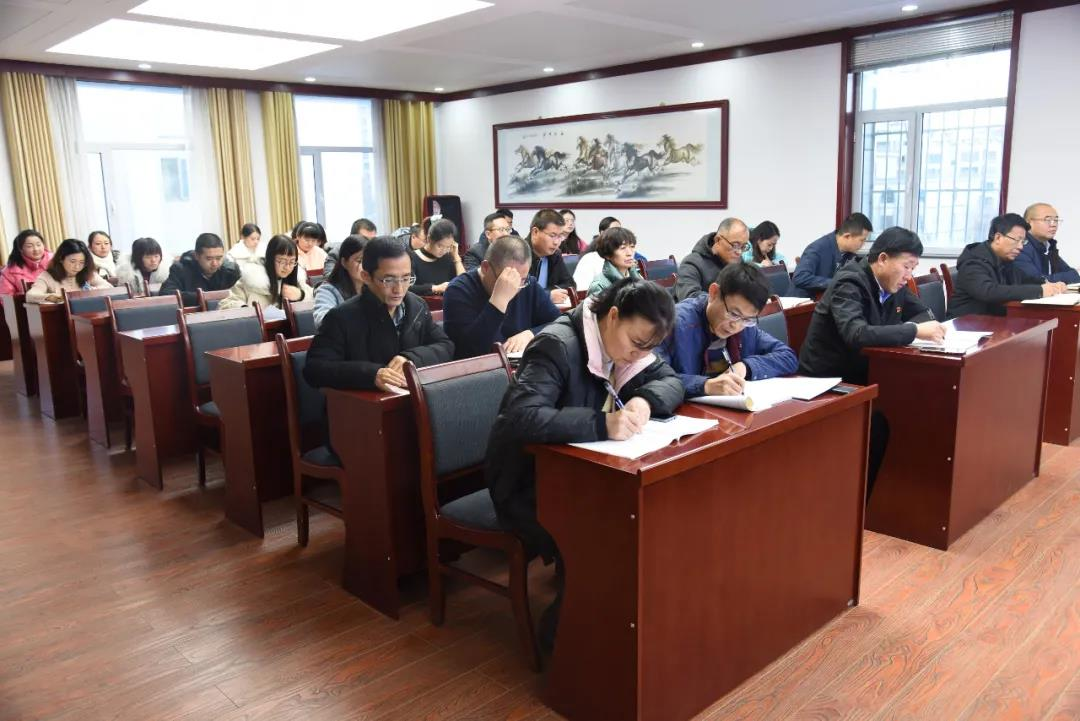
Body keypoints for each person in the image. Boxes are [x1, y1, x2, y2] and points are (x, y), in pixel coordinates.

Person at [485, 278, 682, 651]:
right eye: (636, 344)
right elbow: (521, 417)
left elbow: (669, 380)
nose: (639, 355)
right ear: (613, 316)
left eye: (649, 348)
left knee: (648, 521)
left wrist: (644, 400)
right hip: (527, 483)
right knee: (610, 535)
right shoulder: (556, 345)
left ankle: (627, 635)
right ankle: (567, 646)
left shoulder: (631, 348)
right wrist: (602, 424)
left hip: (583, 474)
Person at [797, 227, 944, 498]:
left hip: (866, 373)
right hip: (827, 381)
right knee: (879, 425)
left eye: (913, 268)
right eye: (906, 266)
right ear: (883, 259)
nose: (909, 275)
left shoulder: (895, 284)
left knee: (913, 407)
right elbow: (857, 334)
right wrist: (914, 331)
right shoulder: (850, 282)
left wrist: (931, 327)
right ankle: (857, 501)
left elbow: (922, 312)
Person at [304, 237, 453, 392]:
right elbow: (315, 368)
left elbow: (445, 346)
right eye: (389, 280)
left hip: (411, 396)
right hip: (364, 403)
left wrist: (410, 358)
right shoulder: (341, 317)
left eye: (406, 278)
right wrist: (371, 374)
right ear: (366, 277)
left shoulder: (417, 306)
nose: (399, 289)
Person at [657, 263, 798, 398]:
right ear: (714, 293)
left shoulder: (746, 327)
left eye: (747, 319)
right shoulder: (673, 324)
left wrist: (746, 367)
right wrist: (705, 386)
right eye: (734, 314)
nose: (736, 326)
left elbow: (788, 357)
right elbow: (654, 377)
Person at [443, 234, 560, 359]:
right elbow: (471, 350)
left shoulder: (528, 284)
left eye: (521, 279)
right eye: (507, 279)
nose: (515, 287)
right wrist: (499, 300)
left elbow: (559, 323)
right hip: (481, 368)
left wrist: (532, 333)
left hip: (523, 363)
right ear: (485, 268)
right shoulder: (458, 290)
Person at [947, 213, 1067, 318]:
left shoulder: (1004, 260)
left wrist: (1048, 284)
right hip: (967, 326)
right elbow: (989, 291)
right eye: (1016, 240)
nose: (1020, 247)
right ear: (998, 237)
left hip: (992, 322)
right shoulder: (973, 262)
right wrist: (1040, 291)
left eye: (1023, 242)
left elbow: (1023, 279)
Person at [219, 235, 312, 310]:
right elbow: (225, 304)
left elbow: (313, 297)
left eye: (292, 262)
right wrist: (246, 310)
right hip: (257, 326)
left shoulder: (297, 280)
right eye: (282, 261)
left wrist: (301, 295)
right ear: (271, 259)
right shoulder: (252, 278)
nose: (287, 267)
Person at [791, 213, 873, 298]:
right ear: (847, 236)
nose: (863, 244)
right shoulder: (817, 248)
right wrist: (836, 283)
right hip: (803, 302)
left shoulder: (851, 255)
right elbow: (800, 277)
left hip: (828, 301)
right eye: (862, 240)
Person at [675, 217, 748, 301]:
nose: (739, 252)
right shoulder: (691, 264)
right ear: (717, 240)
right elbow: (690, 298)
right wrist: (727, 301)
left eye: (743, 246)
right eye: (735, 245)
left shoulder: (738, 261)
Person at [158, 233, 241, 306]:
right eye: (209, 259)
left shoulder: (229, 272)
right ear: (197, 256)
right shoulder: (180, 270)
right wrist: (202, 297)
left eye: (219, 258)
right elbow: (167, 294)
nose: (215, 263)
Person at [25, 238, 111, 304]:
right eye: (72, 261)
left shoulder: (86, 272)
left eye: (82, 262)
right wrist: (50, 297)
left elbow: (109, 287)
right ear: (61, 259)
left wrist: (92, 290)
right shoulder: (47, 276)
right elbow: (30, 295)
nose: (77, 267)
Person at [1012, 203, 1079, 283]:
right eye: (1048, 220)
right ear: (1029, 222)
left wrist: (1076, 274)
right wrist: (1076, 274)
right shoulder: (1020, 247)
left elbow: (1067, 271)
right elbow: (1036, 281)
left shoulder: (1048, 246)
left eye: (1056, 220)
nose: (1053, 225)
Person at [314, 235, 369, 327]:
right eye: (359, 261)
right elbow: (323, 321)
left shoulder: (376, 287)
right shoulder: (327, 290)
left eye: (368, 261)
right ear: (344, 262)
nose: (365, 266)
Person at [526, 208, 576, 304]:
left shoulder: (555, 255)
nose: (556, 242)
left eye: (560, 236)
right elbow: (517, 292)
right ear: (535, 232)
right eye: (552, 236)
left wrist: (549, 293)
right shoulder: (518, 253)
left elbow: (570, 284)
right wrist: (547, 295)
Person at [409, 218, 465, 296]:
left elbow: (463, 284)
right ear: (429, 239)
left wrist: (456, 257)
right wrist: (434, 288)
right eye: (439, 246)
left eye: (448, 247)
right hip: (423, 302)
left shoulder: (448, 257)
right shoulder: (412, 258)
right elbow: (407, 288)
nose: (444, 251)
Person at [588, 227, 642, 296]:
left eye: (632, 246)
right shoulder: (599, 285)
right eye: (622, 248)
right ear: (608, 255)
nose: (629, 253)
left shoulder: (638, 276)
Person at [571, 217, 620, 289]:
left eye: (620, 230)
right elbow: (582, 290)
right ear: (602, 233)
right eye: (614, 230)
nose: (619, 235)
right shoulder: (590, 259)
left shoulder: (621, 257)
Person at [1, 229, 52, 295]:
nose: (36, 249)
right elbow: (5, 297)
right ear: (21, 249)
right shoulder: (10, 271)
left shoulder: (57, 262)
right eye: (29, 246)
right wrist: (22, 296)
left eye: (38, 245)